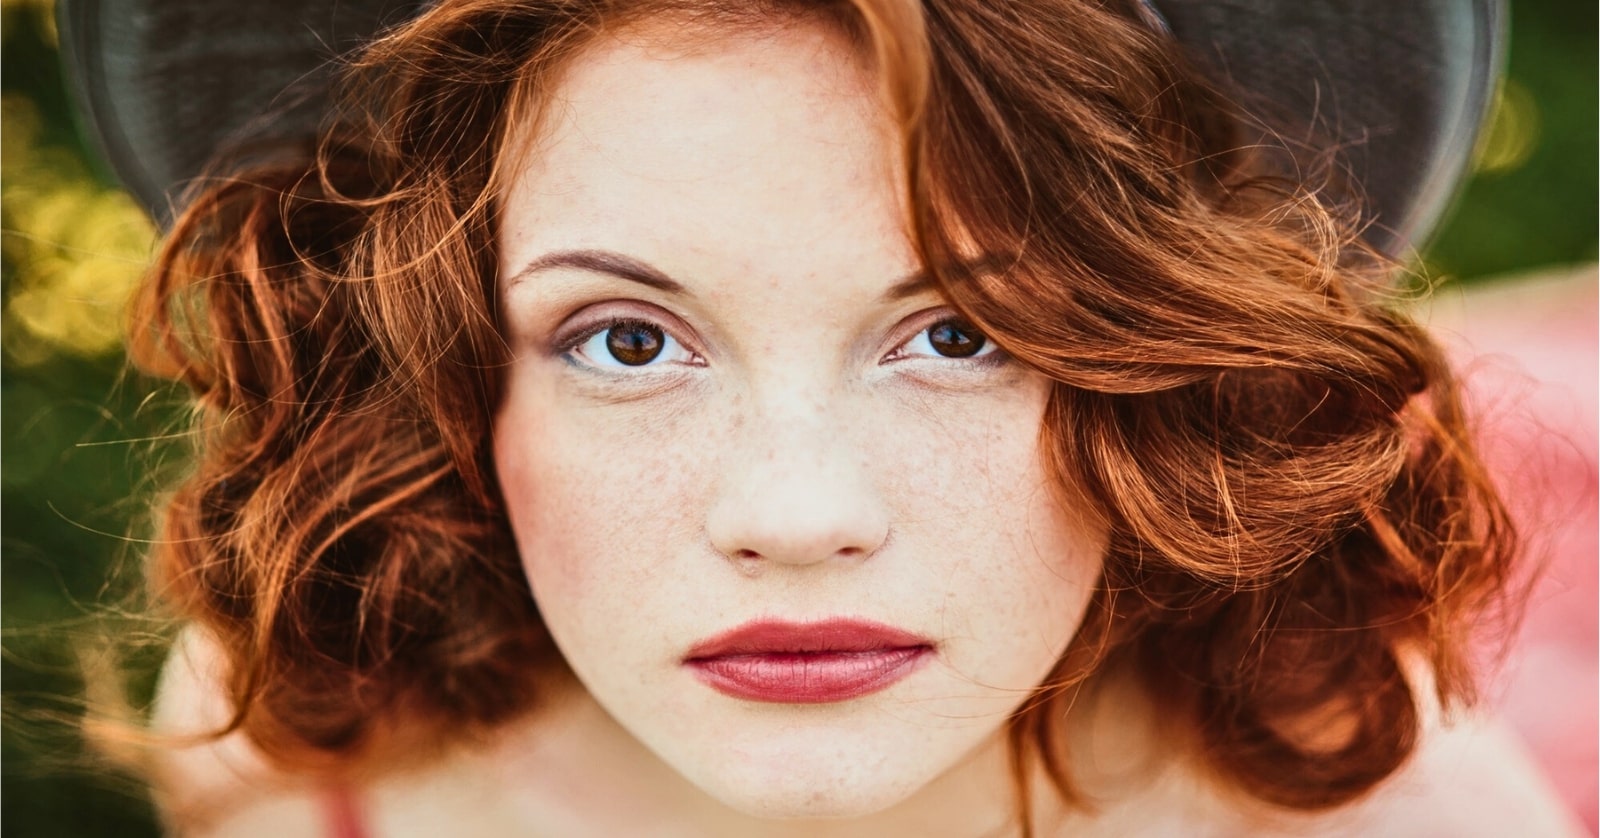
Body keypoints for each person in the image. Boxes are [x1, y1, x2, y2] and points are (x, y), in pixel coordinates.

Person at [58, 0, 1583, 835]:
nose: (795, 515)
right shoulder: (307, 750)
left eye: (963, 333)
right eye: (629, 340)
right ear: (444, 380)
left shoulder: (1395, 818)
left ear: (1156, 370)